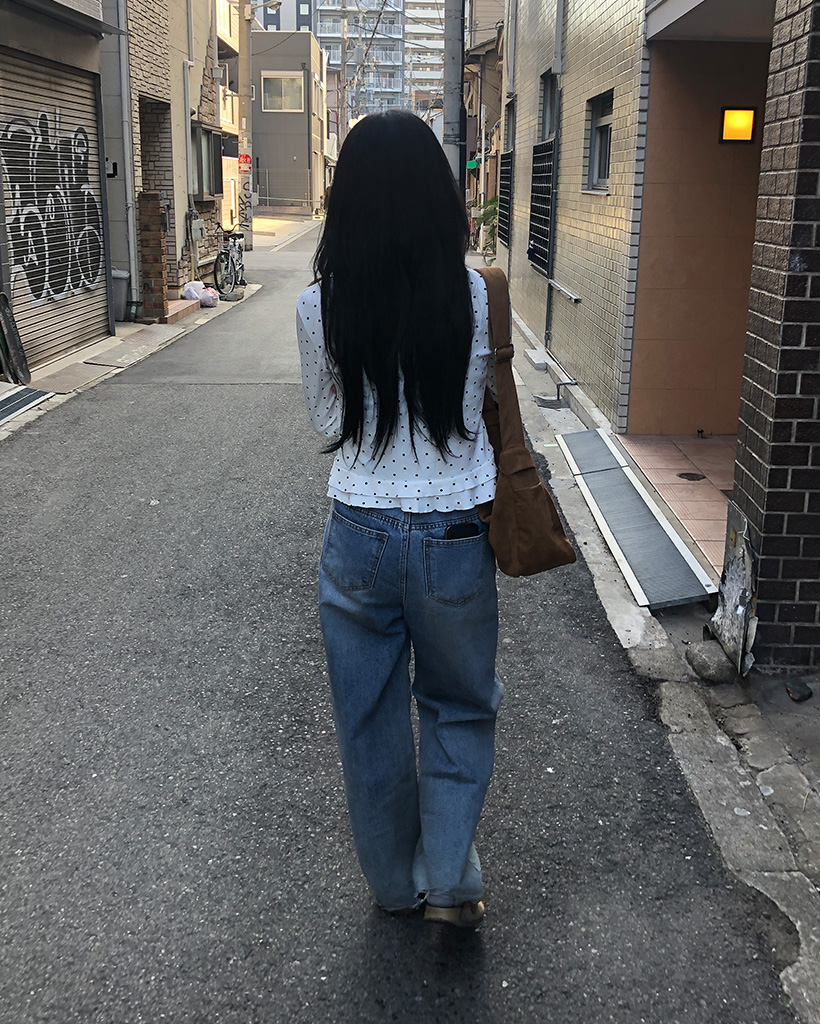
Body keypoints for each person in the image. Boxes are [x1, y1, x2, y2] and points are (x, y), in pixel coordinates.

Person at [296, 110, 502, 929]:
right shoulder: (478, 296)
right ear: (436, 198)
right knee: (458, 703)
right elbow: (478, 412)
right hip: (455, 532)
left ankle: (393, 887)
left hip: (360, 532)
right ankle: (450, 879)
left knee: (368, 716)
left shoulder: (317, 306)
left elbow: (326, 421)